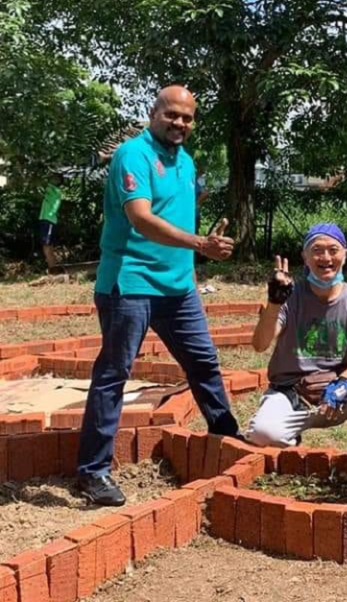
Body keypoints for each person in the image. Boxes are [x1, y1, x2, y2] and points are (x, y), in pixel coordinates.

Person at [77, 85, 240, 506]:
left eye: (187, 117)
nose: (180, 123)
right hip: (129, 284)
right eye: (172, 114)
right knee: (114, 374)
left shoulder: (184, 161)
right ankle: (93, 472)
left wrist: (204, 245)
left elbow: (179, 203)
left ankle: (227, 439)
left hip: (178, 287)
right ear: (154, 113)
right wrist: (199, 244)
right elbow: (141, 218)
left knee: (203, 363)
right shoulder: (133, 154)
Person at [245, 223, 347, 451]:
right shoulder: (291, 295)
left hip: (337, 395)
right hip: (291, 393)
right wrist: (275, 303)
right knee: (261, 433)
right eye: (316, 250)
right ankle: (289, 437)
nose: (325, 257)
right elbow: (260, 344)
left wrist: (343, 384)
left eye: (333, 250)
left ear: (345, 255)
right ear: (305, 257)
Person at [38, 174, 63, 271]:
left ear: (58, 182)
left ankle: (53, 269)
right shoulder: (51, 189)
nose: (51, 178)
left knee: (47, 245)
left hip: (49, 219)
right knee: (48, 246)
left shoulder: (54, 190)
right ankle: (52, 268)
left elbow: (40, 184)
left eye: (55, 178)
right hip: (46, 219)